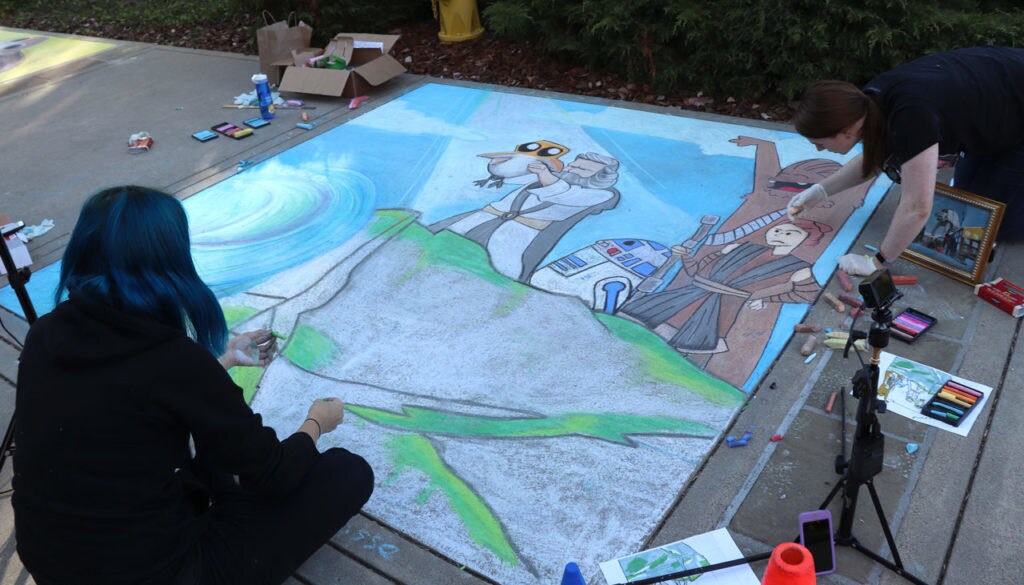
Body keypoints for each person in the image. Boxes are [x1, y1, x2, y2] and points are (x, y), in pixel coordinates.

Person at [12, 186, 374, 585]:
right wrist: (316, 423)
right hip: (154, 574)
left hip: (50, 559)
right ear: (171, 259)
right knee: (347, 472)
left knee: (206, 460)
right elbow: (274, 474)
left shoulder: (45, 332)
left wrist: (224, 361)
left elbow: (134, 398)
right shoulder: (173, 358)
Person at [786, 46, 1024, 275]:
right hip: (1002, 99)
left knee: (991, 226)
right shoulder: (869, 103)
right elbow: (875, 157)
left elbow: (917, 208)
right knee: (968, 204)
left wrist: (878, 262)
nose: (819, 149)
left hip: (1015, 104)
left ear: (845, 131)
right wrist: (821, 190)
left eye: (819, 142)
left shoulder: (910, 117)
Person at [430, 151, 621, 282]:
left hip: (521, 231)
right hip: (486, 216)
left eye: (581, 169)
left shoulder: (602, 194)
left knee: (500, 269)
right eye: (573, 164)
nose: (571, 169)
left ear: (599, 177)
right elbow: (509, 176)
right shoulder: (552, 176)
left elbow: (562, 193)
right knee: (436, 241)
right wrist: (501, 163)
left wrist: (545, 173)